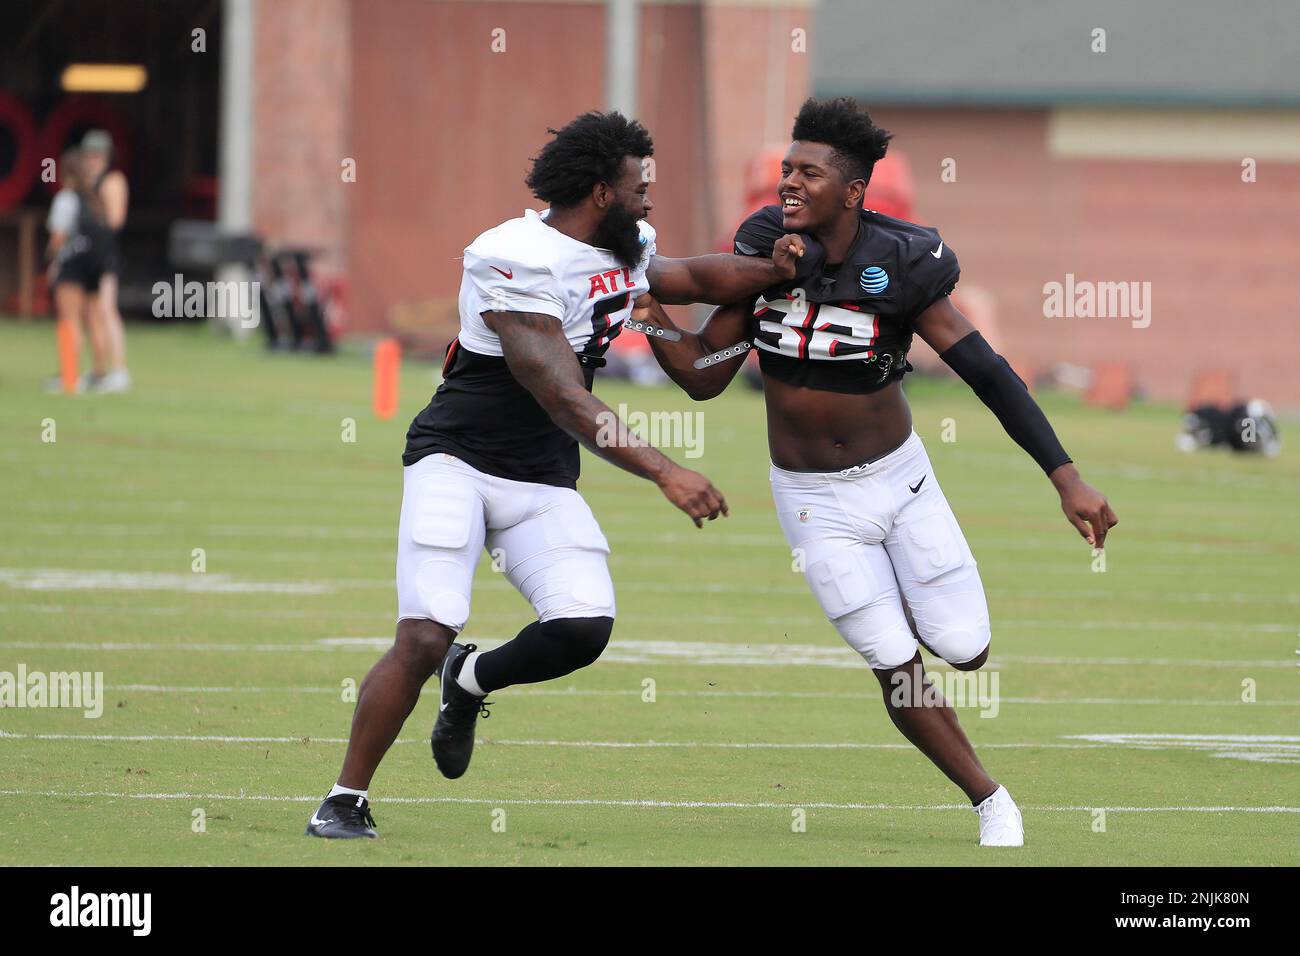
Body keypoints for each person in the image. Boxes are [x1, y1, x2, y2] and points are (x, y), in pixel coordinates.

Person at [307, 111, 806, 839]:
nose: (649, 200)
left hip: (541, 475)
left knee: (582, 627)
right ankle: (344, 795)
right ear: (602, 191)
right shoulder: (512, 254)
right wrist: (666, 472)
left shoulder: (623, 245)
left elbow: (692, 276)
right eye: (640, 186)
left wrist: (778, 270)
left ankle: (470, 681)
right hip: (459, 461)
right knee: (424, 633)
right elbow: (563, 395)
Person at [636, 97, 1119, 847]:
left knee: (965, 648)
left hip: (901, 482)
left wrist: (1065, 476)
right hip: (810, 502)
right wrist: (643, 309)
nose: (788, 183)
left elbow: (987, 372)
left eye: (807, 172)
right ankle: (991, 799)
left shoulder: (903, 259)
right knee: (892, 661)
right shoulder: (767, 247)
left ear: (855, 190)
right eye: (785, 170)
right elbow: (704, 375)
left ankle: (908, 601)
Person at [45, 147, 111, 393]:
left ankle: (70, 376)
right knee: (94, 319)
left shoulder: (66, 199)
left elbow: (58, 237)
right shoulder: (94, 200)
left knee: (69, 320)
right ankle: (100, 373)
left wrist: (52, 260)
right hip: (94, 266)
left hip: (72, 264)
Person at [78, 130, 131, 393]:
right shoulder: (86, 182)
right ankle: (99, 369)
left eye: (97, 155)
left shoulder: (112, 181)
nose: (92, 160)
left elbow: (115, 220)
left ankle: (120, 369)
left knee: (108, 310)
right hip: (87, 255)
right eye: (89, 155)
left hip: (106, 255)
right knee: (91, 313)